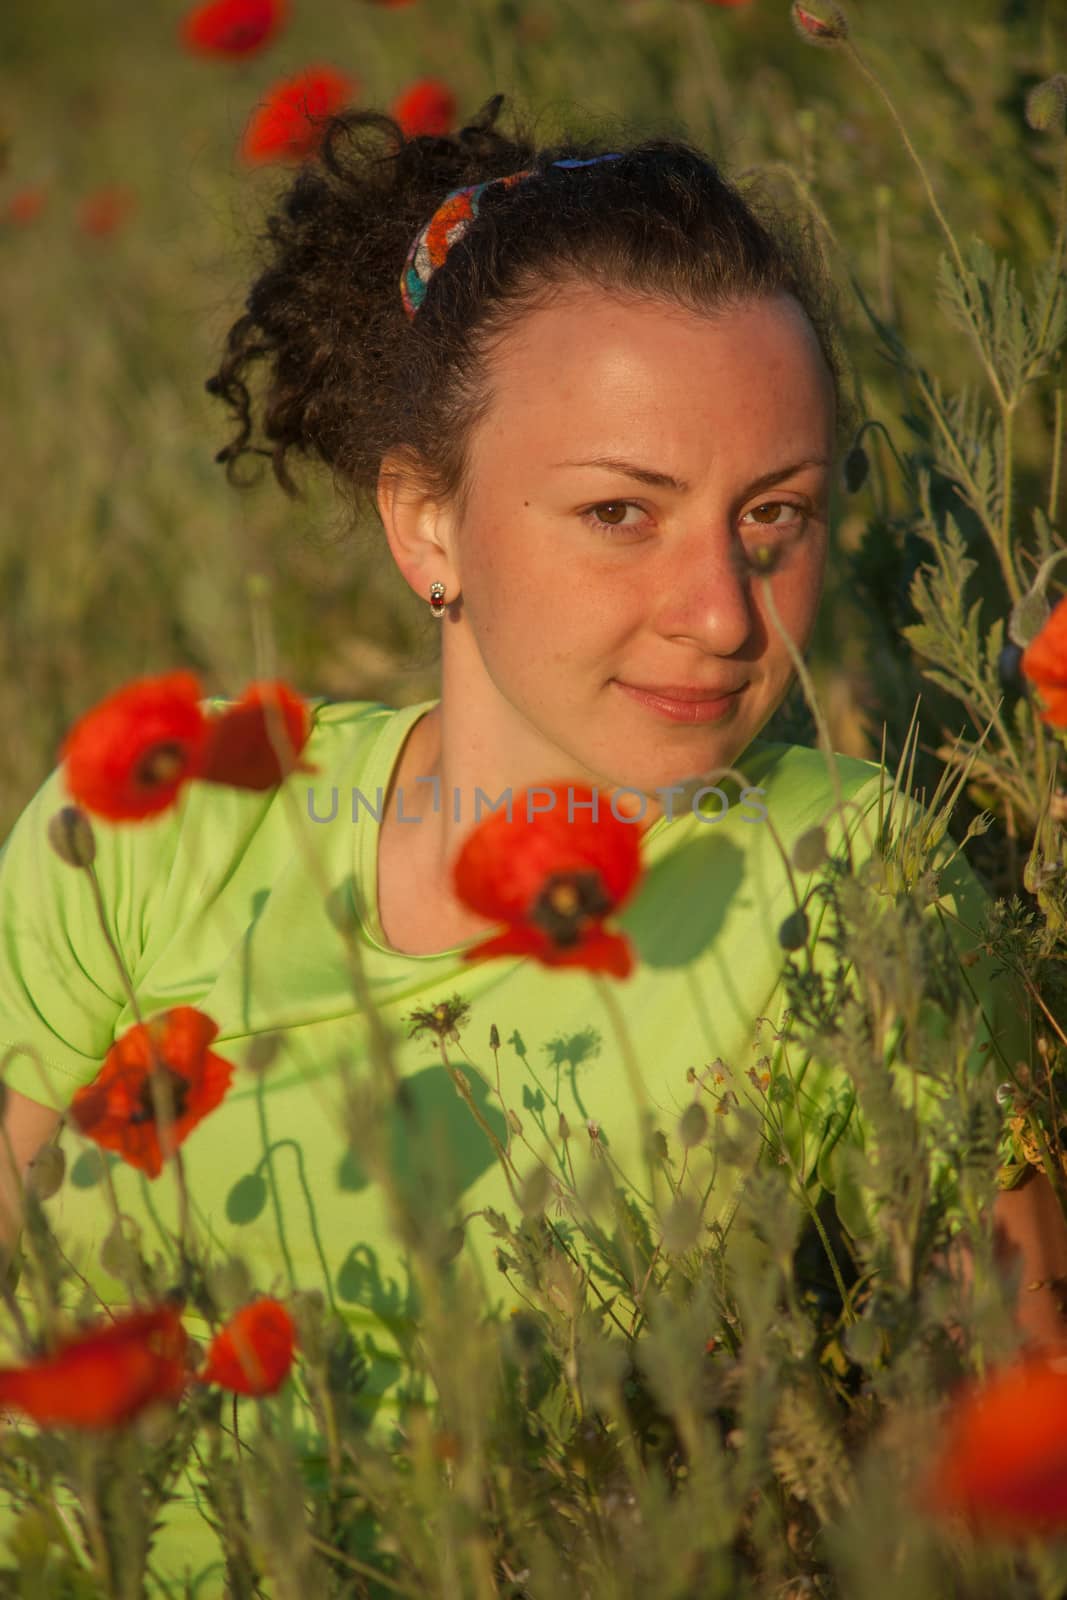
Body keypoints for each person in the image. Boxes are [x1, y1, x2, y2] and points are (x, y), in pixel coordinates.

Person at [0, 93, 1055, 1595]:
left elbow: (1020, 1418)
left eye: (779, 517)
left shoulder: (843, 880)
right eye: (622, 511)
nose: (721, 612)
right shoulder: (169, 811)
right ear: (427, 526)